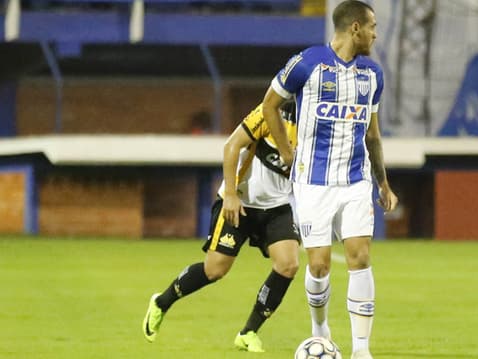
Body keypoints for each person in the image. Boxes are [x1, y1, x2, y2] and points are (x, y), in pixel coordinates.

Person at [261, 1, 398, 358]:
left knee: (360, 256)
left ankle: (362, 350)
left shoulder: (372, 75)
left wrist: (382, 183)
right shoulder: (307, 63)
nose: (375, 34)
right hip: (313, 183)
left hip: (355, 181)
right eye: (372, 27)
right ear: (355, 28)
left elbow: (373, 136)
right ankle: (320, 330)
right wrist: (287, 153)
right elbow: (269, 106)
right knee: (319, 264)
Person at [142, 102, 299, 353]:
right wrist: (230, 194)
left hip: (277, 207)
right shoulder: (269, 113)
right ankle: (162, 301)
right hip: (240, 203)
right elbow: (232, 146)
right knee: (214, 270)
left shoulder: (317, 128)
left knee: (288, 264)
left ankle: (248, 333)